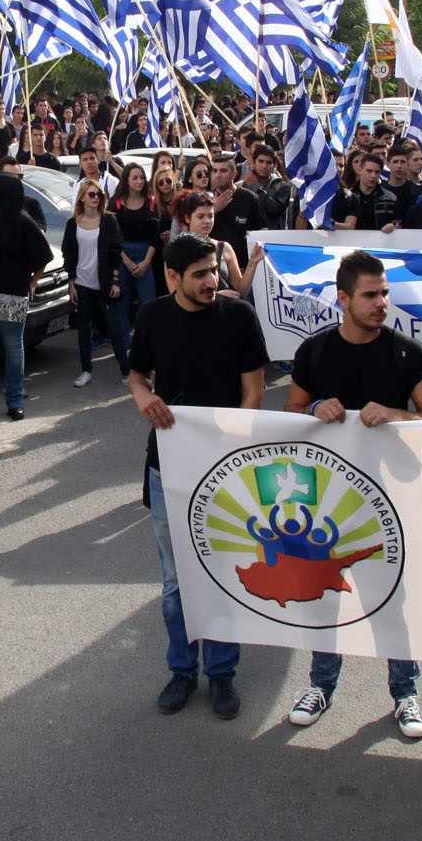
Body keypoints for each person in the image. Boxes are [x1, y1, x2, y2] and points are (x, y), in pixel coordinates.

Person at [281, 251, 422, 740]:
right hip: (321, 505)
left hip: (385, 504)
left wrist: (398, 415)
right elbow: (290, 411)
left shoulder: (408, 354)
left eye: (385, 293)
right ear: (343, 298)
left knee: (389, 601)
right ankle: (320, 685)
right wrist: (314, 405)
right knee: (322, 600)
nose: (382, 303)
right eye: (371, 295)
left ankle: (405, 692)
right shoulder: (314, 351)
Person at [129, 232, 273, 717]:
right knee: (176, 580)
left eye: (214, 271)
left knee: (223, 571)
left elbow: (254, 393)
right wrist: (143, 397)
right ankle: (182, 671)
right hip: (168, 466)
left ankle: (223, 674)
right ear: (172, 277)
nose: (212, 281)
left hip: (226, 469)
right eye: (200, 275)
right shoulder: (152, 317)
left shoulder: (239, 317)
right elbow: (136, 375)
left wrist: (233, 450)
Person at [0, 166, 51, 422]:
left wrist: (33, 283)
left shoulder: (23, 221)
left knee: (13, 346)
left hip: (12, 292)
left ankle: (15, 401)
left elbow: (44, 256)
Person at [62, 176, 132, 386]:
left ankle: (126, 371)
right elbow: (69, 254)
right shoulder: (73, 223)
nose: (96, 198)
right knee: (84, 329)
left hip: (105, 282)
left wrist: (115, 281)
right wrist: (72, 284)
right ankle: (86, 370)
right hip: (82, 282)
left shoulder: (108, 221)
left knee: (114, 329)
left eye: (99, 195)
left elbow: (116, 252)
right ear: (82, 197)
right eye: (91, 194)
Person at [115, 162, 164, 304]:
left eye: (142, 177)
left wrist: (146, 262)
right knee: (122, 303)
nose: (139, 181)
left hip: (145, 254)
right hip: (123, 255)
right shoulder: (116, 203)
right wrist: (127, 262)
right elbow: (113, 236)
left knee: (148, 301)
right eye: (135, 178)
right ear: (126, 180)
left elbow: (155, 235)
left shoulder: (151, 202)